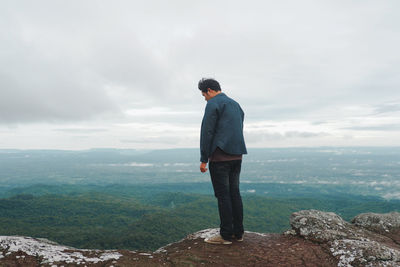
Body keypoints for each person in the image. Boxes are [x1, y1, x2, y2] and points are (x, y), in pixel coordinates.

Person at [198, 78, 247, 245]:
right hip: (237, 155)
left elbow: (207, 132)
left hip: (220, 157)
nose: (204, 98)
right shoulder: (235, 104)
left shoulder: (213, 104)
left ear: (210, 90)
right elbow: (239, 124)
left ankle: (226, 235)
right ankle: (238, 233)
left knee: (223, 196)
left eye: (204, 94)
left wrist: (204, 159)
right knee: (235, 193)